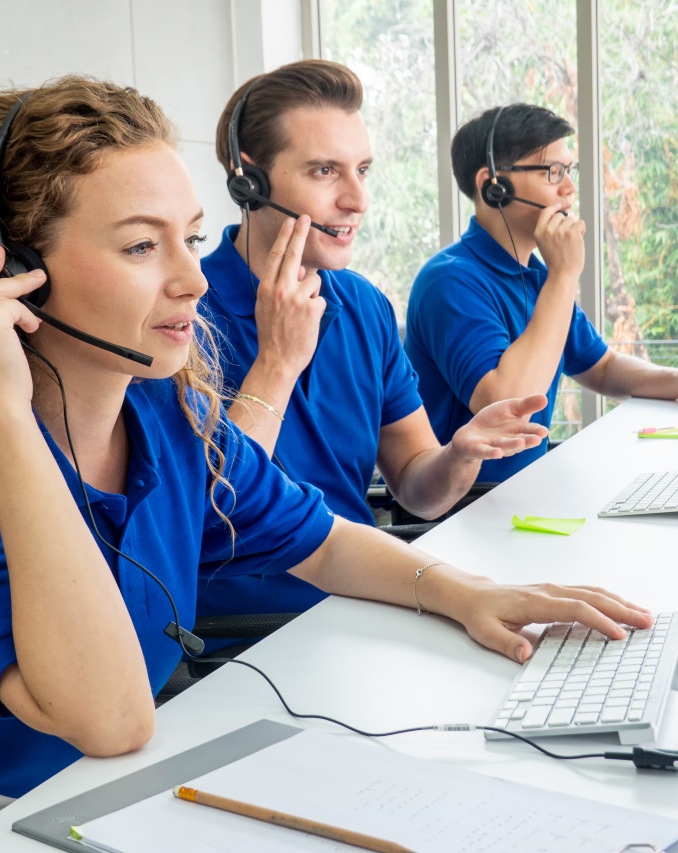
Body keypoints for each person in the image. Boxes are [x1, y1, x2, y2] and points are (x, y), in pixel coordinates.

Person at [0, 78, 652, 853]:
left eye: (192, 238)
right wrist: (0, 410)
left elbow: (321, 539)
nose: (193, 282)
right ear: (16, 273)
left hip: (92, 797)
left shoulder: (165, 412)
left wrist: (469, 592)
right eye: (140, 247)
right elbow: (110, 716)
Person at [197, 61, 549, 625]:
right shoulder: (184, 319)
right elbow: (209, 512)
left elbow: (415, 488)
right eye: (324, 172)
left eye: (362, 169)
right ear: (250, 181)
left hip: (370, 601)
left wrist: (458, 455)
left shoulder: (364, 307)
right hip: (244, 639)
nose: (357, 199)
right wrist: (278, 361)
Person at [405, 104, 678, 482]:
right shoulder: (450, 282)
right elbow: (504, 404)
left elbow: (601, 367)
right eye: (553, 172)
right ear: (494, 185)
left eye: (568, 171)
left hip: (524, 491)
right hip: (466, 509)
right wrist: (565, 274)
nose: (569, 188)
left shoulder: (536, 276)